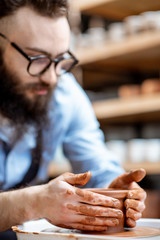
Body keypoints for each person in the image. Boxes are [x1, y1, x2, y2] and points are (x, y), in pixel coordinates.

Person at [0, 0, 146, 239]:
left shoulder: (64, 93)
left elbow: (97, 165)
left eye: (60, 60)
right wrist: (32, 203)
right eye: (37, 59)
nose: (52, 78)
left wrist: (115, 190)